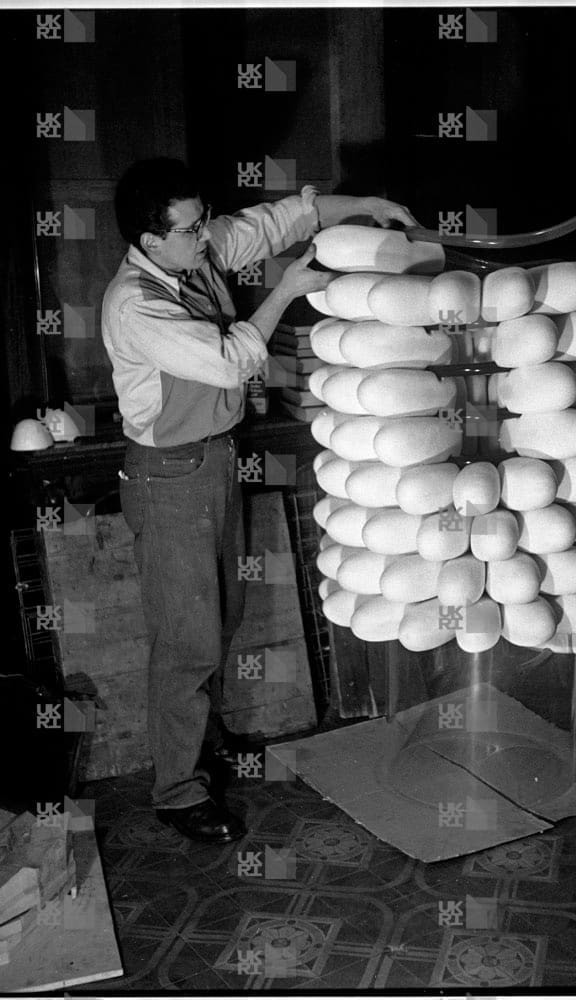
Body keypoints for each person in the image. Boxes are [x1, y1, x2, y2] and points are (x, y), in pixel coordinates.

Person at [102, 158, 416, 844]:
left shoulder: (195, 254)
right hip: (168, 476)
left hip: (214, 461)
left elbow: (277, 222)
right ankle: (178, 792)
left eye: (204, 219)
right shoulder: (134, 302)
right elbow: (226, 359)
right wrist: (287, 291)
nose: (206, 235)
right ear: (152, 241)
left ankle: (201, 746)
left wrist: (367, 201)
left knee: (220, 616)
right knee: (185, 639)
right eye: (191, 228)